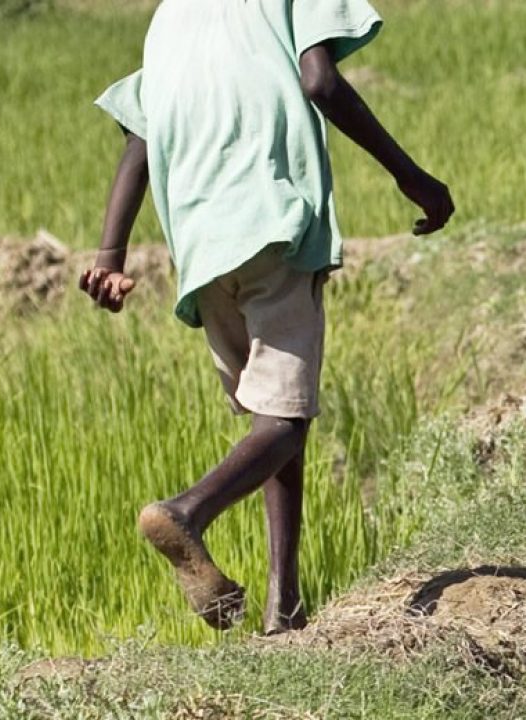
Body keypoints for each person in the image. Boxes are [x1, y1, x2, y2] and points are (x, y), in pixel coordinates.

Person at [80, 0, 453, 634]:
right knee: (286, 417)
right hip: (271, 217)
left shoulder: (171, 14)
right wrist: (413, 178)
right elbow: (320, 80)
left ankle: (285, 605)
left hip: (199, 244)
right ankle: (187, 512)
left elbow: (140, 135)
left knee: (272, 415)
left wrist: (110, 252)